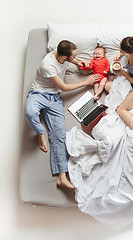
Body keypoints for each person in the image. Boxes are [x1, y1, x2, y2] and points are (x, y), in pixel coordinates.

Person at [25, 40, 99, 189]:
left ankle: (62, 176)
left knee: (59, 135)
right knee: (30, 112)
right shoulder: (48, 65)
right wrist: (87, 82)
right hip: (38, 94)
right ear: (64, 57)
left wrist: (78, 62)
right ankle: (40, 133)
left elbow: (71, 60)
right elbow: (64, 87)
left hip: (54, 99)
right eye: (74, 56)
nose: (76, 57)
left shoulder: (61, 53)